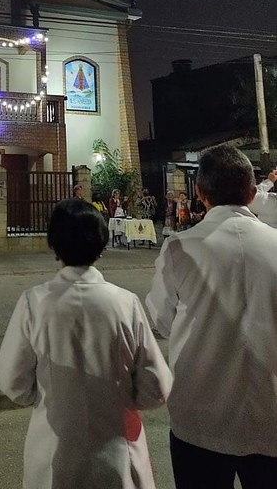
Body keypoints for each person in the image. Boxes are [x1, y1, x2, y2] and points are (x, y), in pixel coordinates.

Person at [0, 198, 171, 489]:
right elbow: (156, 387)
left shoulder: (35, 301)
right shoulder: (124, 302)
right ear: (101, 246)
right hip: (117, 453)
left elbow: (13, 382)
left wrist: (48, 396)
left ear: (54, 245)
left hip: (52, 452)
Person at [146, 144, 277, 488]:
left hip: (200, 417)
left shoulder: (180, 248)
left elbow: (160, 321)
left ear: (200, 194)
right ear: (252, 193)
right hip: (272, 414)